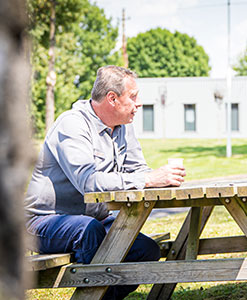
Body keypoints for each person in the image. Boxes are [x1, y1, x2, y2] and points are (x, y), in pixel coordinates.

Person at [24, 66, 186, 299]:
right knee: (90, 231)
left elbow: (138, 169)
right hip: (44, 222)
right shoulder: (72, 125)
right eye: (133, 96)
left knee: (146, 250)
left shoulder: (123, 127)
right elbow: (88, 182)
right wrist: (148, 179)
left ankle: (101, 295)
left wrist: (163, 179)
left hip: (95, 221)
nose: (138, 103)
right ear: (112, 98)